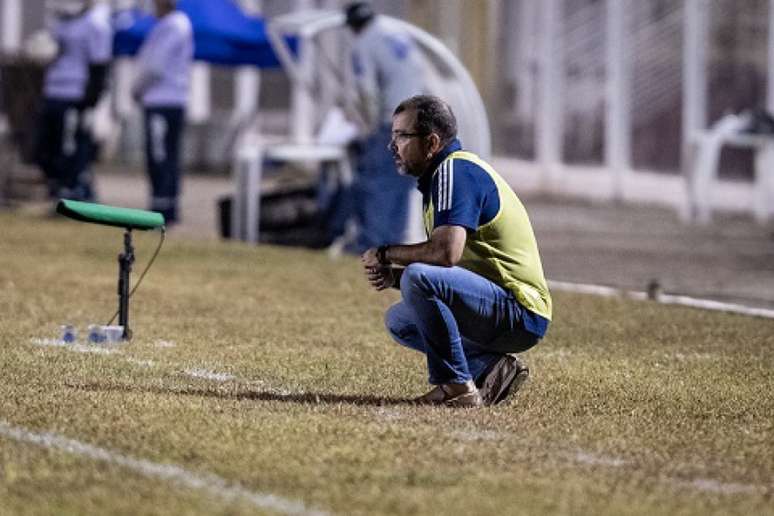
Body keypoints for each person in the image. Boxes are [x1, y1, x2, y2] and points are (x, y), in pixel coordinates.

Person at [361, 95, 552, 408]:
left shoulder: (455, 171)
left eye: (402, 136)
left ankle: (458, 388)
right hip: (496, 305)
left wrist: (386, 254)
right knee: (400, 320)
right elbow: (453, 269)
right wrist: (397, 277)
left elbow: (446, 254)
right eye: (392, 135)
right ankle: (491, 369)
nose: (392, 145)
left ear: (432, 142)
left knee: (420, 277)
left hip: (521, 309)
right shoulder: (441, 176)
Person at [341, 1, 425, 252]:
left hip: (394, 122)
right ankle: (394, 245)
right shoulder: (397, 32)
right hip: (421, 122)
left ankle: (373, 245)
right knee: (401, 185)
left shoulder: (364, 43)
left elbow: (367, 92)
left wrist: (368, 127)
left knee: (377, 183)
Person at [36, 0, 112, 203]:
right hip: (53, 92)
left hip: (75, 95)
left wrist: (90, 100)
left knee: (70, 148)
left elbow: (99, 66)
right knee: (45, 147)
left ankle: (74, 190)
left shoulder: (95, 25)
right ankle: (58, 187)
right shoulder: (59, 23)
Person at [131, 0, 193, 224]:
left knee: (160, 156)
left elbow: (154, 66)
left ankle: (163, 209)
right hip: (166, 100)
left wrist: (137, 89)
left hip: (163, 101)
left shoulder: (173, 25)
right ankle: (165, 206)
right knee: (165, 155)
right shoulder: (167, 25)